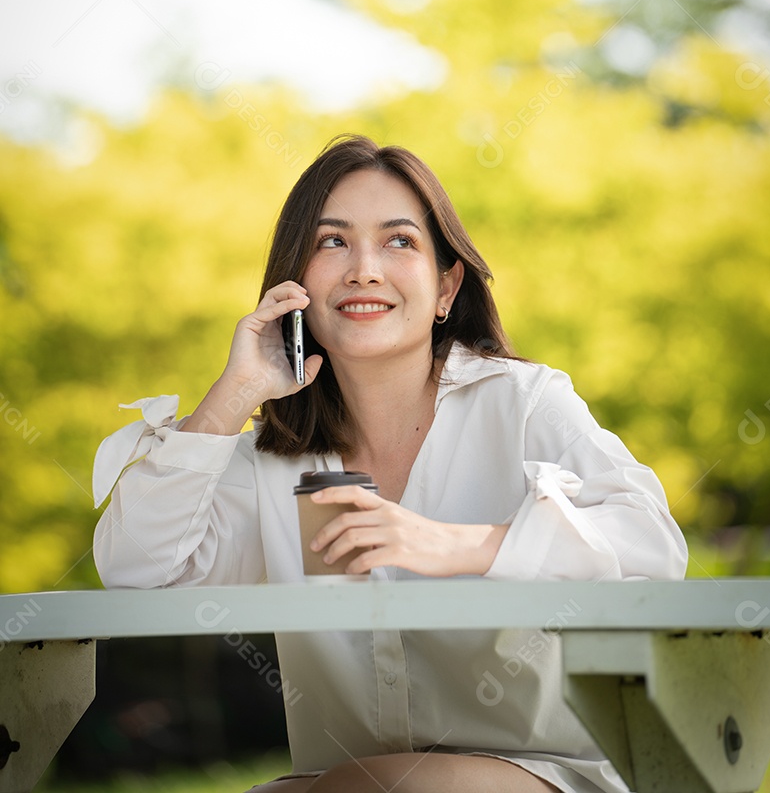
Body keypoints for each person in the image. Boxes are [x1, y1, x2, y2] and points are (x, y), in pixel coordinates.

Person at [92, 134, 688, 793]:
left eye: (400, 241)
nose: (364, 270)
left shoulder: (524, 404)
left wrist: (460, 544)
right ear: (294, 286)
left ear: (445, 287)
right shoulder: (268, 458)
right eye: (331, 242)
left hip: (545, 773)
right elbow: (138, 575)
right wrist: (232, 394)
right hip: (339, 781)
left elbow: (654, 548)